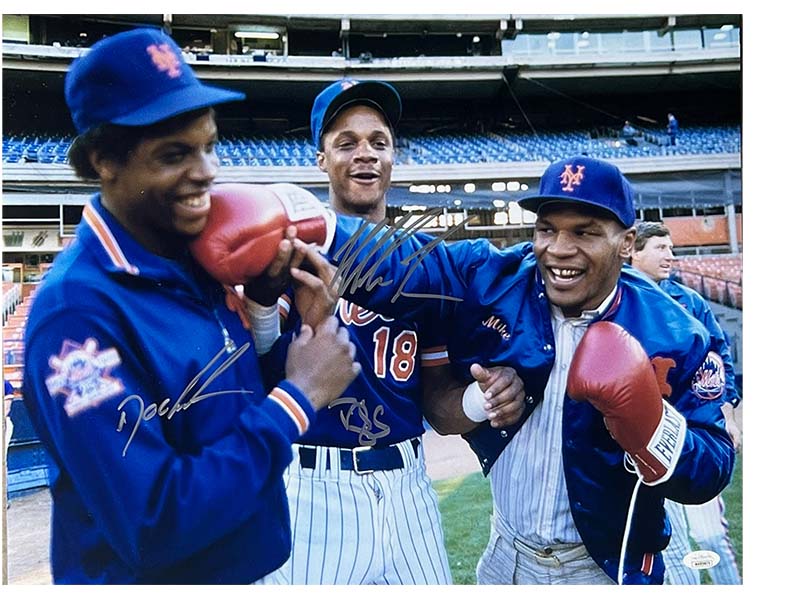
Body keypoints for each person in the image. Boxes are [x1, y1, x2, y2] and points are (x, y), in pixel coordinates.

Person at [21, 28, 360, 584]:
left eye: (208, 145)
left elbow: (225, 404)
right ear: (105, 159)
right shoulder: (74, 318)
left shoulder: (193, 256)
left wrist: (275, 310)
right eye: (175, 153)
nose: (206, 171)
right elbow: (150, 524)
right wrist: (298, 400)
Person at [251, 79, 524, 585]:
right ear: (320, 160)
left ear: (394, 157)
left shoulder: (425, 266)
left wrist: (484, 400)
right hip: (314, 488)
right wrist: (273, 305)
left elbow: (439, 407)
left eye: (379, 142)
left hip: (408, 487)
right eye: (346, 143)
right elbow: (256, 377)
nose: (366, 155)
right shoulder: (292, 252)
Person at [630, 221, 742, 585]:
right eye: (660, 248)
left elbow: (718, 356)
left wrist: (727, 413)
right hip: (644, 438)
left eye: (670, 247)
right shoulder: (616, 301)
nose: (670, 255)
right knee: (674, 548)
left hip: (694, 430)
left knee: (710, 537)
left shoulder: (689, 300)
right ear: (634, 250)